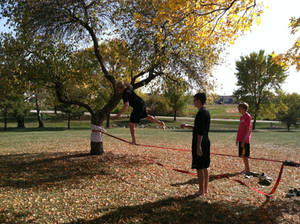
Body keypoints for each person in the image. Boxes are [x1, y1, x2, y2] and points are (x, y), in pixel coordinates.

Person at [181, 92, 210, 196]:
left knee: (200, 167)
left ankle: (201, 191)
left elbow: (200, 131)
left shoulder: (201, 113)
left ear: (198, 100)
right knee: (205, 166)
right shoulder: (205, 112)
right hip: (206, 141)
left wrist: (198, 146)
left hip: (200, 142)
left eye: (194, 100)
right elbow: (199, 128)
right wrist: (187, 126)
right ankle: (205, 189)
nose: (193, 102)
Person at [236, 102, 252, 175]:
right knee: (242, 155)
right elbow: (240, 129)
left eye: (240, 108)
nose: (238, 110)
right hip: (241, 139)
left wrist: (244, 141)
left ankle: (248, 170)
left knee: (245, 155)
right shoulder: (241, 117)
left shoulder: (248, 116)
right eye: (238, 108)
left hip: (245, 140)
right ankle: (246, 169)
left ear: (244, 109)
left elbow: (247, 130)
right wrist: (237, 139)